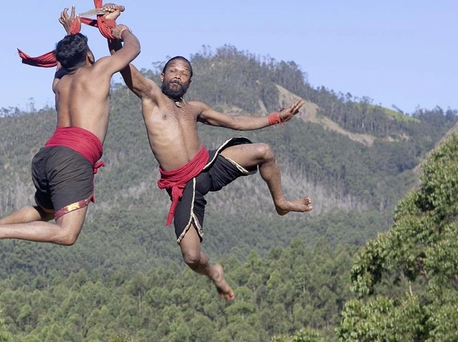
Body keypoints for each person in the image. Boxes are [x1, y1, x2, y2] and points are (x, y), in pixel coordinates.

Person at [110, 47, 313, 300]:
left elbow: (235, 121)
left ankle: (281, 203)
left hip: (208, 165)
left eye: (184, 74)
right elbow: (123, 67)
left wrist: (275, 118)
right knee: (192, 257)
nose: (177, 76)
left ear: (189, 82)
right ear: (162, 76)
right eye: (172, 71)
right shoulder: (151, 97)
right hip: (184, 185)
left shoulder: (194, 108)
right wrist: (113, 38)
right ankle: (214, 273)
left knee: (264, 151)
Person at [0, 4, 139, 263]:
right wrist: (118, 28)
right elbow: (133, 48)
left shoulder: (59, 82)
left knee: (44, 211)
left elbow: (63, 60)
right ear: (90, 57)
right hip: (72, 158)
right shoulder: (98, 72)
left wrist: (72, 31)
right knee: (67, 234)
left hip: (47, 157)